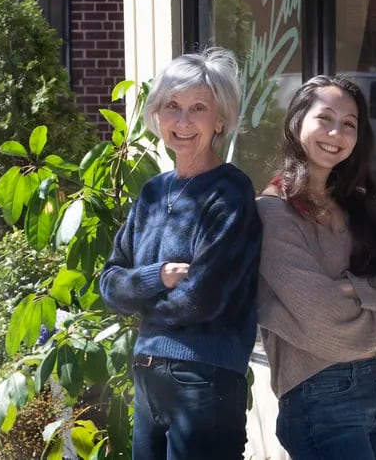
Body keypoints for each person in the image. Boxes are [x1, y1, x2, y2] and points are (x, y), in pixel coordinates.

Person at [256, 75, 376, 459]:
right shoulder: (274, 213)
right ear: (297, 122)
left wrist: (351, 289)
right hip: (320, 394)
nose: (336, 132)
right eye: (325, 118)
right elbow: (323, 319)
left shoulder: (362, 207)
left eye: (348, 124)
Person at [99, 47, 261, 460]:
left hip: (203, 378)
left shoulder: (230, 192)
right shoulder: (154, 191)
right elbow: (109, 282)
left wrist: (142, 305)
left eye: (198, 108)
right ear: (157, 114)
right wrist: (157, 277)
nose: (183, 121)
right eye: (172, 106)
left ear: (220, 119)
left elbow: (201, 298)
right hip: (149, 374)